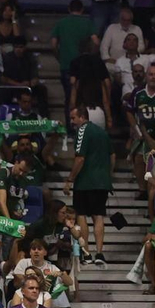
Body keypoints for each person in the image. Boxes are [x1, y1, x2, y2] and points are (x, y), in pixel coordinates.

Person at [67, 105, 114, 266]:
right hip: (102, 182)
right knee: (98, 216)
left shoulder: (82, 131)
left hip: (85, 182)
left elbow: (80, 158)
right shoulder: (103, 132)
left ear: (82, 117)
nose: (72, 121)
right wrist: (107, 175)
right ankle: (100, 253)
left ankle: (86, 253)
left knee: (81, 215)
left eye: (73, 118)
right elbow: (112, 156)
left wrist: (70, 179)